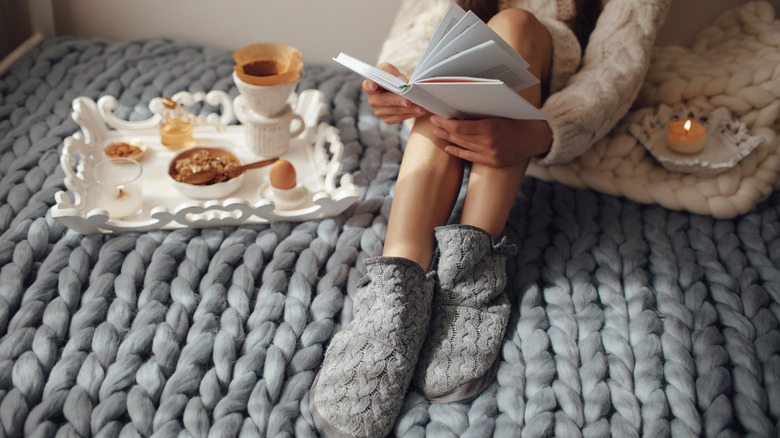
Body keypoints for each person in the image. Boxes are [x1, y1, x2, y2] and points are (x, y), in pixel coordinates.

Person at [310, 0, 670, 436]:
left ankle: (470, 265)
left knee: (513, 26)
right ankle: (397, 285)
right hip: (450, 97)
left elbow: (617, 68)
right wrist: (401, 81)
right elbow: (421, 22)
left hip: (544, 99)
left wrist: (542, 131)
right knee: (449, 69)